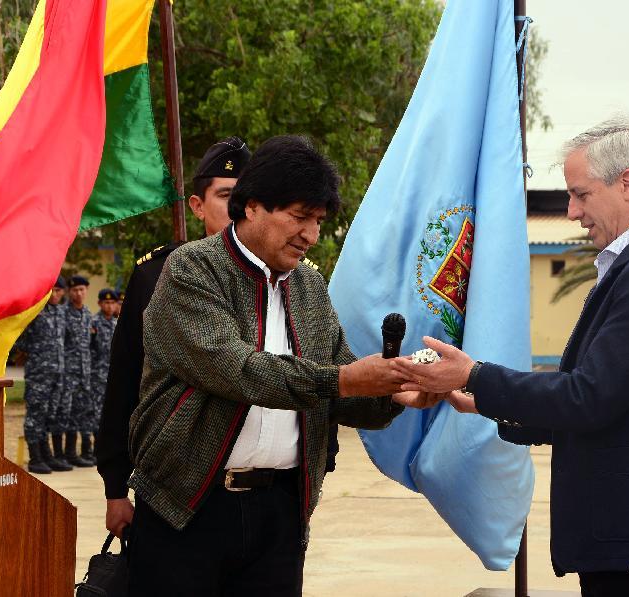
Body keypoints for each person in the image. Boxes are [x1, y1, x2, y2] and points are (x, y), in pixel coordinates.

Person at [398, 117, 629, 597]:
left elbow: (588, 397)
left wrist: (476, 374)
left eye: (581, 194)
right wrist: (475, 395)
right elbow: (605, 405)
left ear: (628, 183)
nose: (571, 211)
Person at [125, 135, 434, 596]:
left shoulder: (308, 285)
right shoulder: (192, 270)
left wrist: (396, 393)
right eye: (298, 216)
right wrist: (347, 380)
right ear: (251, 206)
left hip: (281, 513)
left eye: (318, 220)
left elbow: (338, 389)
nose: (310, 234)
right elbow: (236, 369)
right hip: (187, 505)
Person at [96, 136, 253, 538]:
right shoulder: (155, 275)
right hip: (173, 491)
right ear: (197, 206)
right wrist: (116, 488)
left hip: (263, 492)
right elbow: (124, 382)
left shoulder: (283, 279)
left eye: (250, 196)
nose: (239, 207)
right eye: (226, 195)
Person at [14, 274, 72, 474]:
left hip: (58, 374)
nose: (55, 294)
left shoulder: (61, 314)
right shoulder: (35, 313)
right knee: (35, 415)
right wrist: (36, 353)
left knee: (50, 414)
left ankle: (46, 455)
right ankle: (35, 457)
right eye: (52, 290)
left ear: (63, 292)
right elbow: (19, 340)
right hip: (39, 374)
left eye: (58, 290)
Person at [62, 274, 94, 467]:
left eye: (82, 290)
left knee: (83, 412)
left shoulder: (88, 314)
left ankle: (80, 453)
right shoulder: (63, 314)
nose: (79, 293)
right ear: (69, 292)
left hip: (84, 373)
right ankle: (69, 453)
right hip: (68, 372)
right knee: (68, 413)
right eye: (75, 290)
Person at [88, 288, 118, 463]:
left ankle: (108, 448)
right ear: (99, 304)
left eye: (112, 302)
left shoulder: (117, 324)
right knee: (96, 413)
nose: (109, 305)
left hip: (112, 376)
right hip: (97, 376)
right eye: (106, 302)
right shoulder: (93, 323)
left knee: (111, 412)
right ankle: (95, 448)